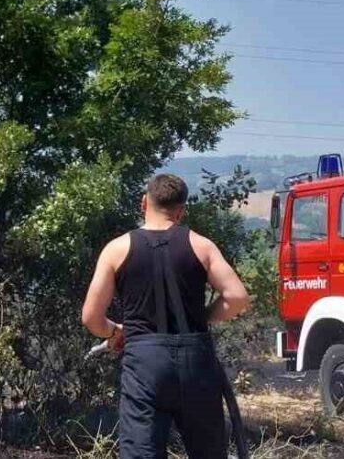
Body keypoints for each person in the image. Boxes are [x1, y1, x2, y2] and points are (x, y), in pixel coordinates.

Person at [81, 173, 251, 459]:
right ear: (181, 210)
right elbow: (237, 298)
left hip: (145, 364)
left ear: (144, 202)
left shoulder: (116, 249)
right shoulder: (201, 246)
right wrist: (203, 317)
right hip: (196, 360)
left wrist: (115, 331)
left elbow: (91, 317)